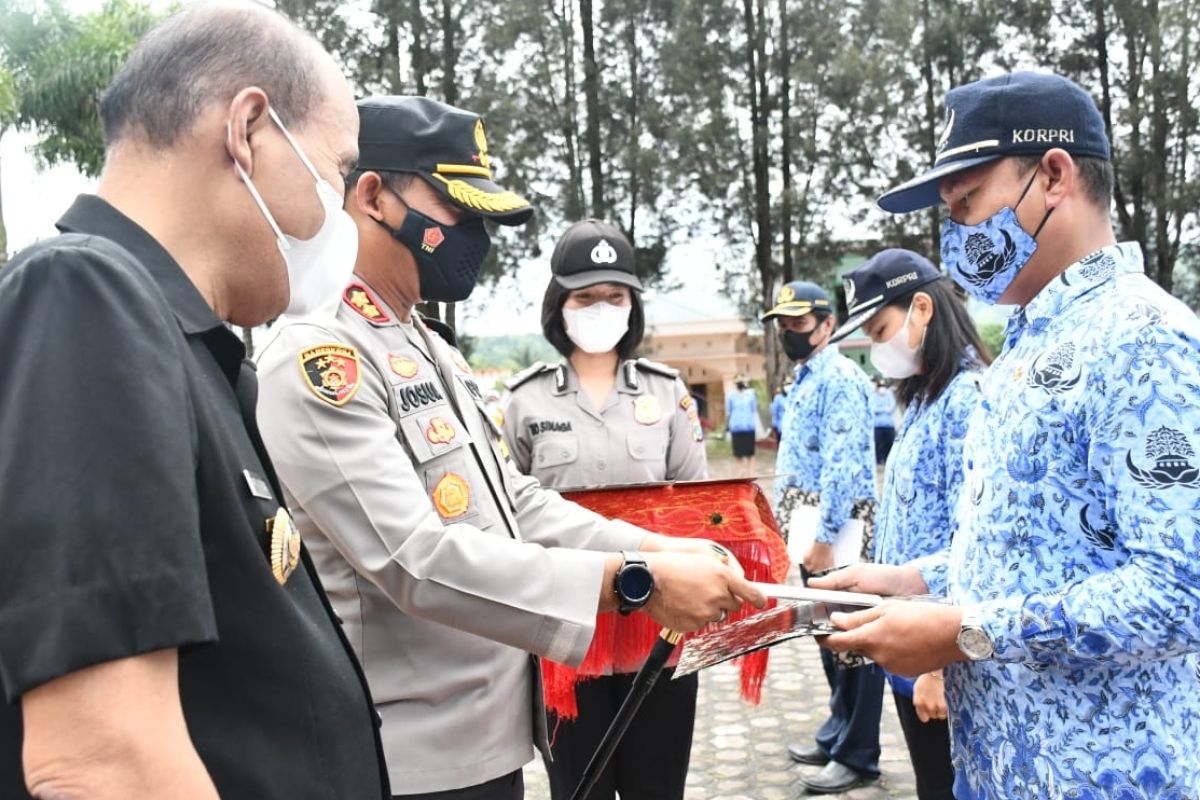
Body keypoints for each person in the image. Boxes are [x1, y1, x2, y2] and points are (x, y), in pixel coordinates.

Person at [254, 96, 765, 800]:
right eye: (460, 212)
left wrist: (660, 548)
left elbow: (515, 503)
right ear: (372, 195)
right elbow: (417, 561)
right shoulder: (323, 356)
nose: (476, 237)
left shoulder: (424, 346)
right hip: (407, 760)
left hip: (487, 742)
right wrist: (634, 584)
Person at [0, 5, 390, 799]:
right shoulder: (85, 294)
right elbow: (100, 760)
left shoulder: (195, 352)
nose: (340, 209)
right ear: (248, 128)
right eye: (338, 168)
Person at [813, 71, 1200, 799]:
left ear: (1054, 175)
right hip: (1003, 766)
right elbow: (1032, 557)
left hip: (1104, 775)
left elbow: (1181, 592)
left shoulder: (1145, 343)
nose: (956, 235)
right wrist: (914, 582)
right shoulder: (1027, 345)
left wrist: (961, 633)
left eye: (967, 204)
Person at [503, 219, 706, 800]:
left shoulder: (668, 394)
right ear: (559, 306)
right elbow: (509, 513)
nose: (600, 309)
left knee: (657, 786)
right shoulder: (525, 400)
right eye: (584, 297)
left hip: (658, 628)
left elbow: (694, 509)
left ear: (632, 306)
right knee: (578, 789)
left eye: (614, 297)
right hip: (567, 627)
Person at [828, 249, 990, 799]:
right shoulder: (925, 396)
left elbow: (974, 543)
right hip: (911, 633)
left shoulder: (967, 398)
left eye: (880, 330)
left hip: (944, 647)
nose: (876, 349)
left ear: (922, 308)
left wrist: (939, 667)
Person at [764, 281, 883, 795]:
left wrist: (827, 536)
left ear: (827, 325)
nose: (790, 332)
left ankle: (859, 754)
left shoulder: (839, 376)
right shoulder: (806, 376)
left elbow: (845, 462)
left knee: (856, 640)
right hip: (808, 517)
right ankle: (838, 731)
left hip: (838, 524)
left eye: (800, 323)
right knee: (826, 634)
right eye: (784, 325)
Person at [725, 376, 759, 476]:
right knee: (738, 451)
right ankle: (741, 470)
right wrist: (727, 426)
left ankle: (752, 471)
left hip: (748, 425)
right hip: (736, 426)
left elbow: (754, 409)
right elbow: (729, 411)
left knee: (750, 451)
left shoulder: (750, 395)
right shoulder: (730, 396)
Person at [870, 378, 897, 465]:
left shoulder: (890, 395)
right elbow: (873, 409)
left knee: (889, 443)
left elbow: (892, 407)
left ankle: (887, 460)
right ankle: (878, 460)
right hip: (877, 425)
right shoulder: (874, 396)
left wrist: (881, 409)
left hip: (889, 424)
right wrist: (884, 409)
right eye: (881, 386)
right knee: (878, 443)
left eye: (884, 386)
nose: (882, 388)